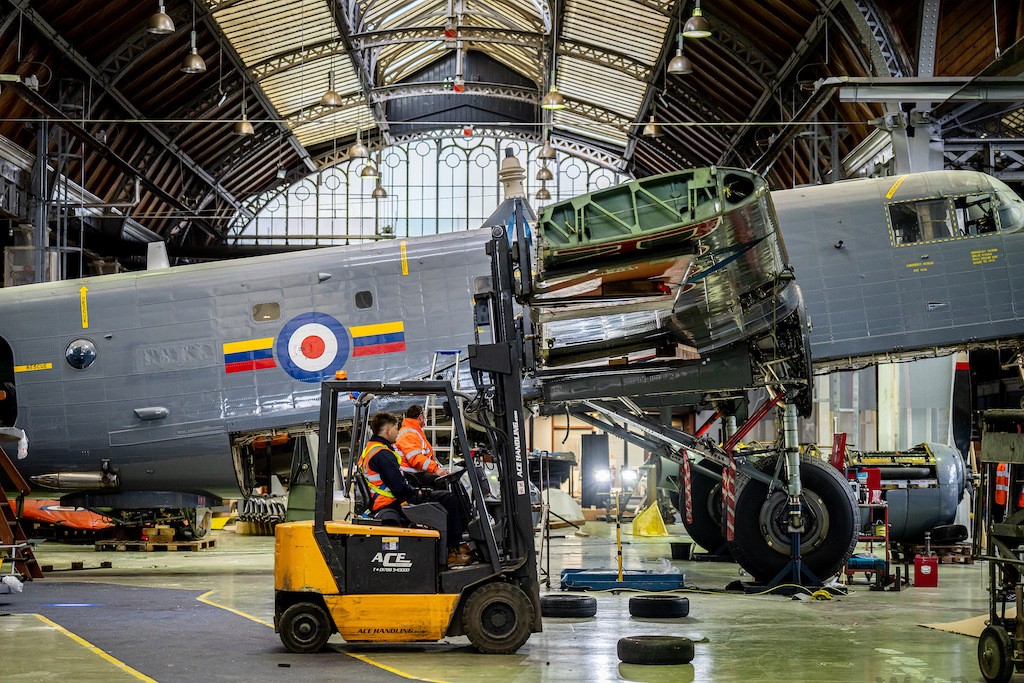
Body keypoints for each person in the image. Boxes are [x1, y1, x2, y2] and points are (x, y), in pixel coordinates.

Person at [358, 412, 470, 566]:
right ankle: (452, 550)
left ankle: (455, 546)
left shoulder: (372, 449)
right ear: (387, 431)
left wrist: (419, 487)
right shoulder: (383, 454)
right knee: (447, 498)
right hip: (391, 503)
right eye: (396, 429)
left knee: (436, 493)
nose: (398, 432)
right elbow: (400, 488)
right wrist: (418, 493)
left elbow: (396, 480)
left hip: (384, 500)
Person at [396, 404, 448, 480]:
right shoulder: (409, 434)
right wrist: (436, 469)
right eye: (425, 415)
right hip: (411, 476)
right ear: (420, 417)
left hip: (413, 473)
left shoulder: (413, 431)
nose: (426, 418)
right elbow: (416, 458)